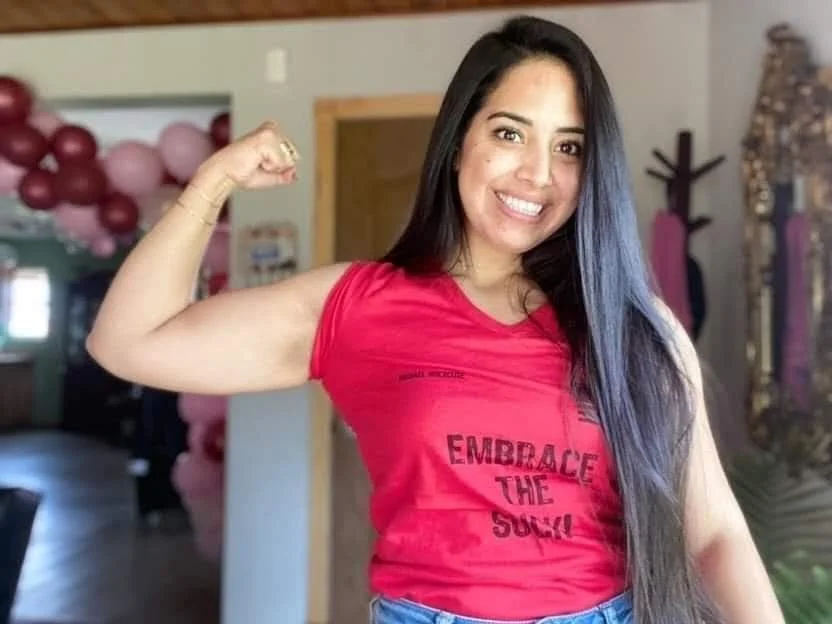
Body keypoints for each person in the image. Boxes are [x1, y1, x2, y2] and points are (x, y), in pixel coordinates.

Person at [87, 15, 784, 624]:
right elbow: (128, 342)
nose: (538, 175)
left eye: (569, 147)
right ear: (458, 143)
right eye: (511, 133)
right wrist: (212, 183)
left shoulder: (632, 325)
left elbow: (715, 531)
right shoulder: (358, 305)